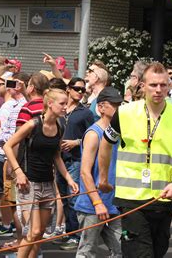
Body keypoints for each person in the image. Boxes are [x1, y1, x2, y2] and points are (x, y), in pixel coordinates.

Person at [98, 62, 172, 257]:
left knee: (157, 252)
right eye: (153, 85)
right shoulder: (125, 112)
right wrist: (103, 177)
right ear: (142, 86)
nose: (158, 90)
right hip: (131, 200)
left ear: (170, 86)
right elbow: (106, 142)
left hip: (163, 199)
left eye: (163, 85)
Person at [3, 89, 79, 258]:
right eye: (62, 103)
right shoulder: (33, 124)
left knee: (39, 235)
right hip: (29, 184)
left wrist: (68, 179)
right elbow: (7, 146)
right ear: (50, 104)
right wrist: (18, 172)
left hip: (48, 184)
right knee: (33, 231)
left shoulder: (60, 126)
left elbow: (56, 156)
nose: (65, 107)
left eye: (66, 103)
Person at [74, 87, 123, 258]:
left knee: (120, 250)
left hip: (114, 202)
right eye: (114, 105)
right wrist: (97, 203)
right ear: (101, 107)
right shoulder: (94, 134)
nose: (119, 108)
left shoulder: (118, 132)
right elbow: (85, 173)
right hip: (92, 205)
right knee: (87, 253)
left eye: (120, 104)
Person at [0, 72, 29, 238]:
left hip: (10, 156)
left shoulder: (21, 106)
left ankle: (14, 231)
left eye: (5, 83)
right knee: (7, 195)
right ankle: (14, 231)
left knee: (11, 197)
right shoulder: (13, 105)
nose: (1, 85)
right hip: (4, 153)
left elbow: (14, 136)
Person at [55, 77, 94, 250]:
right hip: (59, 159)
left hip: (76, 159)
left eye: (83, 90)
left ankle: (76, 236)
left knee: (73, 198)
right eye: (77, 89)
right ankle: (70, 232)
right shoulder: (61, 109)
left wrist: (76, 142)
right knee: (64, 198)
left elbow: (93, 135)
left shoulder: (85, 112)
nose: (80, 92)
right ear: (68, 89)